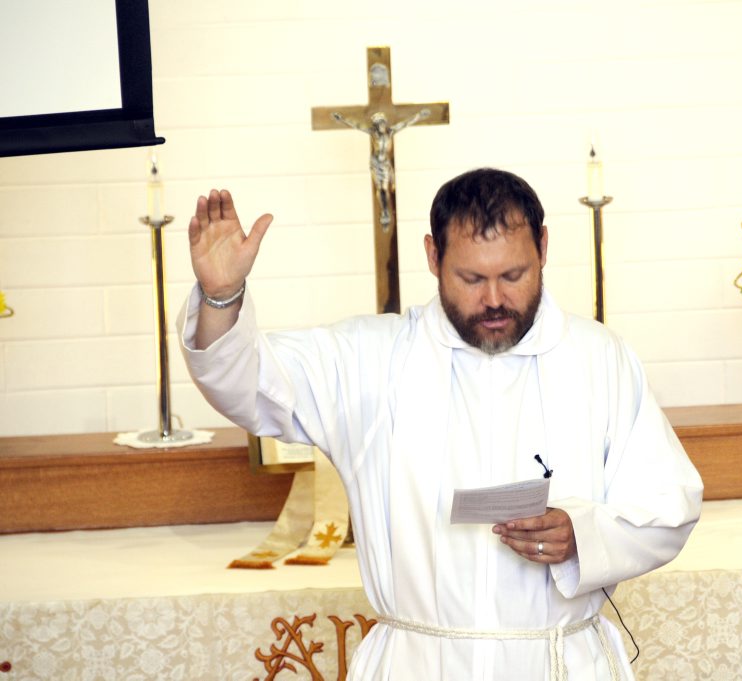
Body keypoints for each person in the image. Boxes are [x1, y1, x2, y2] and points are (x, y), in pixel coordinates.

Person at [178, 168, 703, 681]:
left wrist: (582, 536)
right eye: (472, 278)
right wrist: (222, 296)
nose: (494, 299)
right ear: (433, 257)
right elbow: (248, 385)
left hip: (558, 662)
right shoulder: (371, 359)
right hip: (418, 662)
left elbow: (670, 507)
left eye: (513, 276)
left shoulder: (598, 359)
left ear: (543, 248)